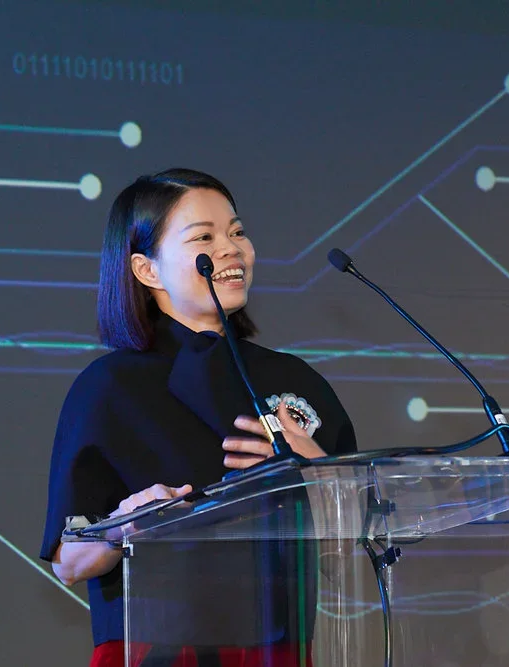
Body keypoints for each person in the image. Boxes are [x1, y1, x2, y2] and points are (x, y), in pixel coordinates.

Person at [39, 167, 358, 667]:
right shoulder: (109, 387)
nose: (231, 249)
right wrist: (126, 525)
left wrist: (318, 469)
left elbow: (350, 545)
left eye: (237, 232)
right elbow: (68, 562)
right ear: (147, 270)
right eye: (205, 238)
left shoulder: (294, 378)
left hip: (281, 648)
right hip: (157, 650)